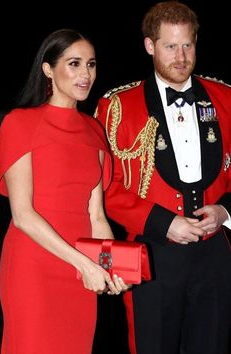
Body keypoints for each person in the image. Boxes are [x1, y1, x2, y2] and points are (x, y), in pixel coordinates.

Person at [95, 2, 231, 354]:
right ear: (149, 45)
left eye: (188, 44)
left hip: (216, 253)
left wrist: (225, 212)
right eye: (170, 46)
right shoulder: (118, 107)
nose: (181, 56)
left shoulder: (226, 99)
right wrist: (162, 222)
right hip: (152, 253)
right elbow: (105, 188)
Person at [0, 28, 129, 354]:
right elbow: (23, 215)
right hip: (34, 267)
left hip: (84, 270)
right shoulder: (20, 123)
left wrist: (114, 266)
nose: (86, 74)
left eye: (91, 64)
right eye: (74, 63)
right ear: (47, 69)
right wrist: (85, 264)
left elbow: (96, 216)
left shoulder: (94, 129)